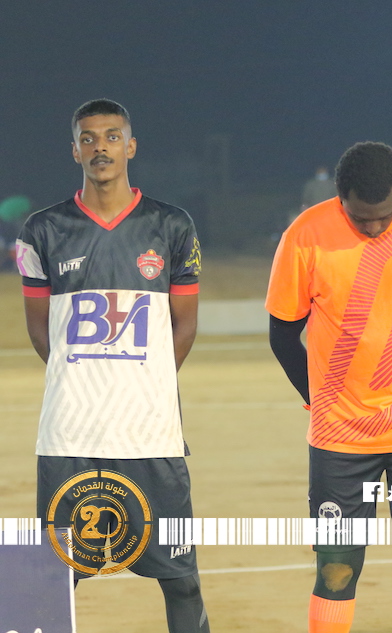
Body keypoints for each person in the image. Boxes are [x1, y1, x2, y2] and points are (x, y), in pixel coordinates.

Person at [15, 99, 209, 632]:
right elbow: (41, 331)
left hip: (150, 436)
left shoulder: (172, 225)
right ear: (75, 150)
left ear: (131, 146)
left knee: (181, 579)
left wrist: (144, 382)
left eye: (112, 136)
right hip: (69, 437)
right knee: (52, 579)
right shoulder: (42, 230)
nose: (100, 146)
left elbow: (184, 326)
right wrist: (80, 379)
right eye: (89, 138)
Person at [266, 141, 392, 633]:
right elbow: (282, 335)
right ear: (340, 197)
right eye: (362, 218)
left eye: (385, 215)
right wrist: (318, 399)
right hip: (340, 440)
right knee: (336, 570)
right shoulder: (305, 236)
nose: (375, 227)